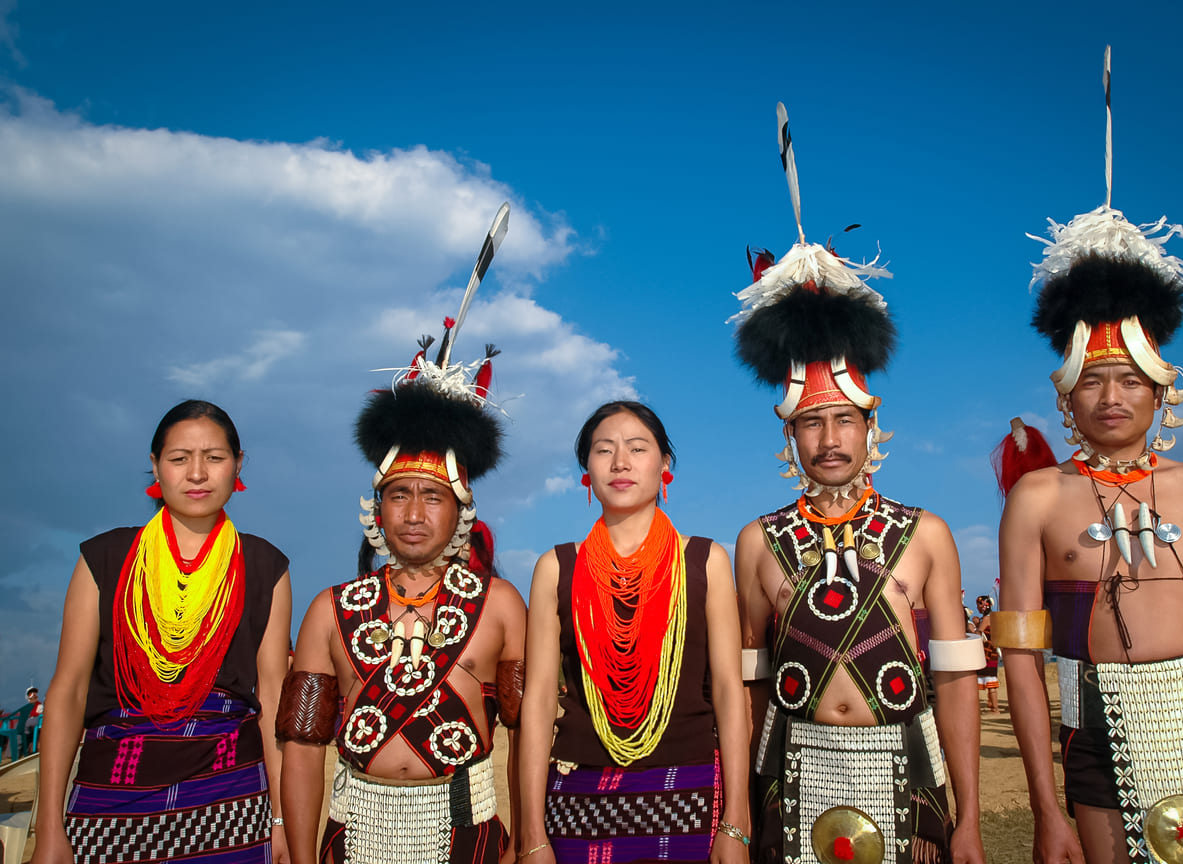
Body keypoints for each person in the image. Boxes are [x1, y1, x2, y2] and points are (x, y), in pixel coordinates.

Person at [993, 51, 1183, 864]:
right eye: (1093, 380)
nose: (1112, 396)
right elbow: (1020, 660)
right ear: (1067, 395)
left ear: (1163, 390)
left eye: (1131, 378)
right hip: (1099, 730)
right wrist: (1046, 809)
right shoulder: (1038, 501)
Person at [733, 104, 985, 864]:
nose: (831, 438)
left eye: (846, 420)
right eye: (813, 423)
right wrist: (740, 819)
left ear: (872, 431)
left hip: (909, 776)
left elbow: (958, 683)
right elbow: (748, 688)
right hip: (793, 778)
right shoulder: (759, 541)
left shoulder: (928, 533)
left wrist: (969, 816)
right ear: (790, 437)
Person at [279, 203, 526, 864]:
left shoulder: (500, 607)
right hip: (352, 836)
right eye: (399, 495)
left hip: (467, 835)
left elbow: (533, 736)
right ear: (377, 510)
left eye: (431, 497)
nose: (415, 513)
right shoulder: (329, 612)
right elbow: (302, 747)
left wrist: (524, 849)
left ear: (460, 512)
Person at [33, 399, 293, 864]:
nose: (197, 473)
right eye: (179, 459)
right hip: (110, 797)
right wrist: (51, 827)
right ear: (155, 466)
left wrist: (280, 823)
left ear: (237, 465)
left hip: (230, 799)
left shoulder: (263, 564)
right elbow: (69, 689)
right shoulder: (105, 558)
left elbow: (272, 696)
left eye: (214, 458)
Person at [517, 401, 750, 864]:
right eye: (604, 451)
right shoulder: (557, 568)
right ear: (587, 470)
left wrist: (736, 823)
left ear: (664, 465)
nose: (620, 462)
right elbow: (540, 698)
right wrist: (532, 835)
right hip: (578, 799)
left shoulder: (704, 563)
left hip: (688, 792)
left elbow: (728, 689)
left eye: (637, 448)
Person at [972, 598, 1000, 714]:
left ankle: (994, 708)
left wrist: (973, 625)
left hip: (987, 653)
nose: (977, 608)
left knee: (988, 680)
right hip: (992, 652)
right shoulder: (992, 618)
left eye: (978, 605)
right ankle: (993, 706)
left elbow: (979, 633)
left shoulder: (987, 619)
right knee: (991, 680)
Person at [23, 687, 42, 751]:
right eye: (31, 693)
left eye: (35, 693)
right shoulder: (26, 707)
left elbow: (38, 714)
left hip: (35, 725)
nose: (34, 695)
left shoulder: (39, 705)